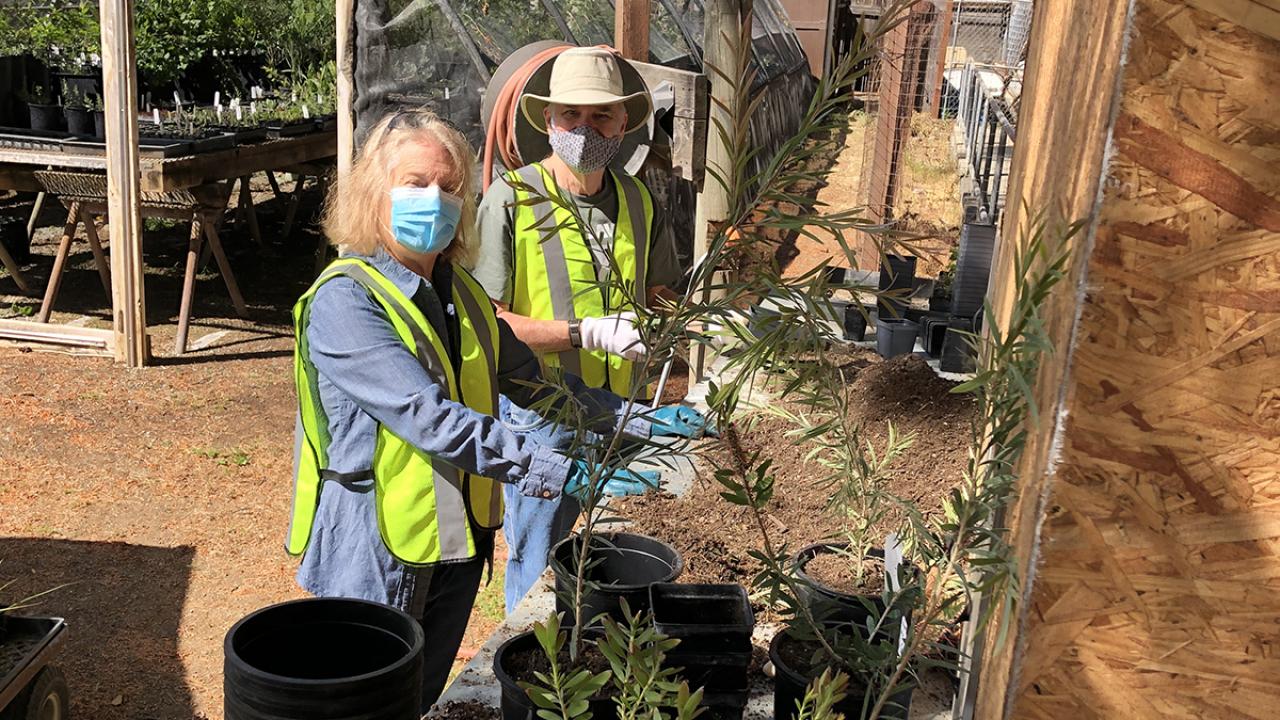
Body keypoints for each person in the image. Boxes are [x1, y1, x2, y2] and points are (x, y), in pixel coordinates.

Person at [286, 109, 692, 713]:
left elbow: (531, 381)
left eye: (449, 188)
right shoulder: (347, 301)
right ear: (375, 195)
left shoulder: (462, 292)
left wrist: (633, 419)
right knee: (370, 699)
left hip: (456, 539)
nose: (436, 200)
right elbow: (428, 417)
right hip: (375, 546)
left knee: (424, 695)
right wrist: (552, 469)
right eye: (416, 183)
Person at [471, 47, 713, 613]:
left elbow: (659, 292)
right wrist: (585, 333)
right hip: (542, 410)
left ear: (624, 122)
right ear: (549, 122)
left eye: (601, 116)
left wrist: (681, 319)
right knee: (538, 555)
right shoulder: (513, 197)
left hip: (620, 407)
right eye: (571, 116)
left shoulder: (637, 198)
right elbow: (489, 324)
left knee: (609, 543)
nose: (585, 129)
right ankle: (532, 664)